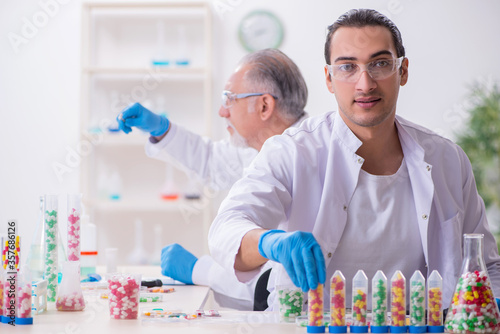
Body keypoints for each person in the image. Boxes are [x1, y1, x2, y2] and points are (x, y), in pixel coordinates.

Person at [208, 8, 500, 311]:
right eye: (347, 67)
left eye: (380, 64)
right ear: (329, 78)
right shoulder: (293, 152)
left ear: (403, 71)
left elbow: (487, 267)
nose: (365, 84)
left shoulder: (446, 160)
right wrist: (271, 242)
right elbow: (225, 230)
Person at [117, 49, 308, 310]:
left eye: (229, 99)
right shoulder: (264, 150)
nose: (222, 111)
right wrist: (161, 129)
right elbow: (210, 160)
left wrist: (200, 270)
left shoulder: (307, 160)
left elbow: (271, 286)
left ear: (264, 106)